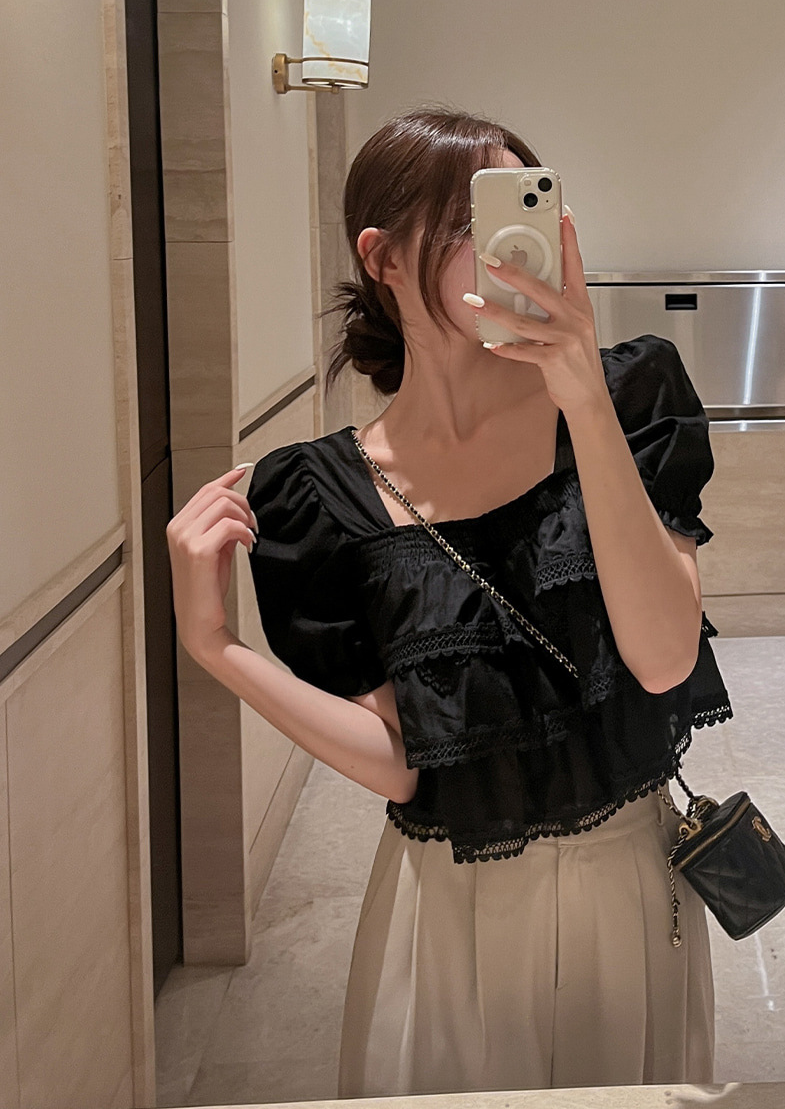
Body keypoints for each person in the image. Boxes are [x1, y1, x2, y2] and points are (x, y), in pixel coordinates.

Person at [166, 105, 733, 1099]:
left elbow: (662, 660)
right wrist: (217, 648)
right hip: (445, 916)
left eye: (526, 209)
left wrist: (581, 399)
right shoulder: (317, 496)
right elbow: (399, 762)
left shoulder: (632, 394)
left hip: (631, 893)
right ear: (382, 257)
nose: (509, 246)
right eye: (471, 222)